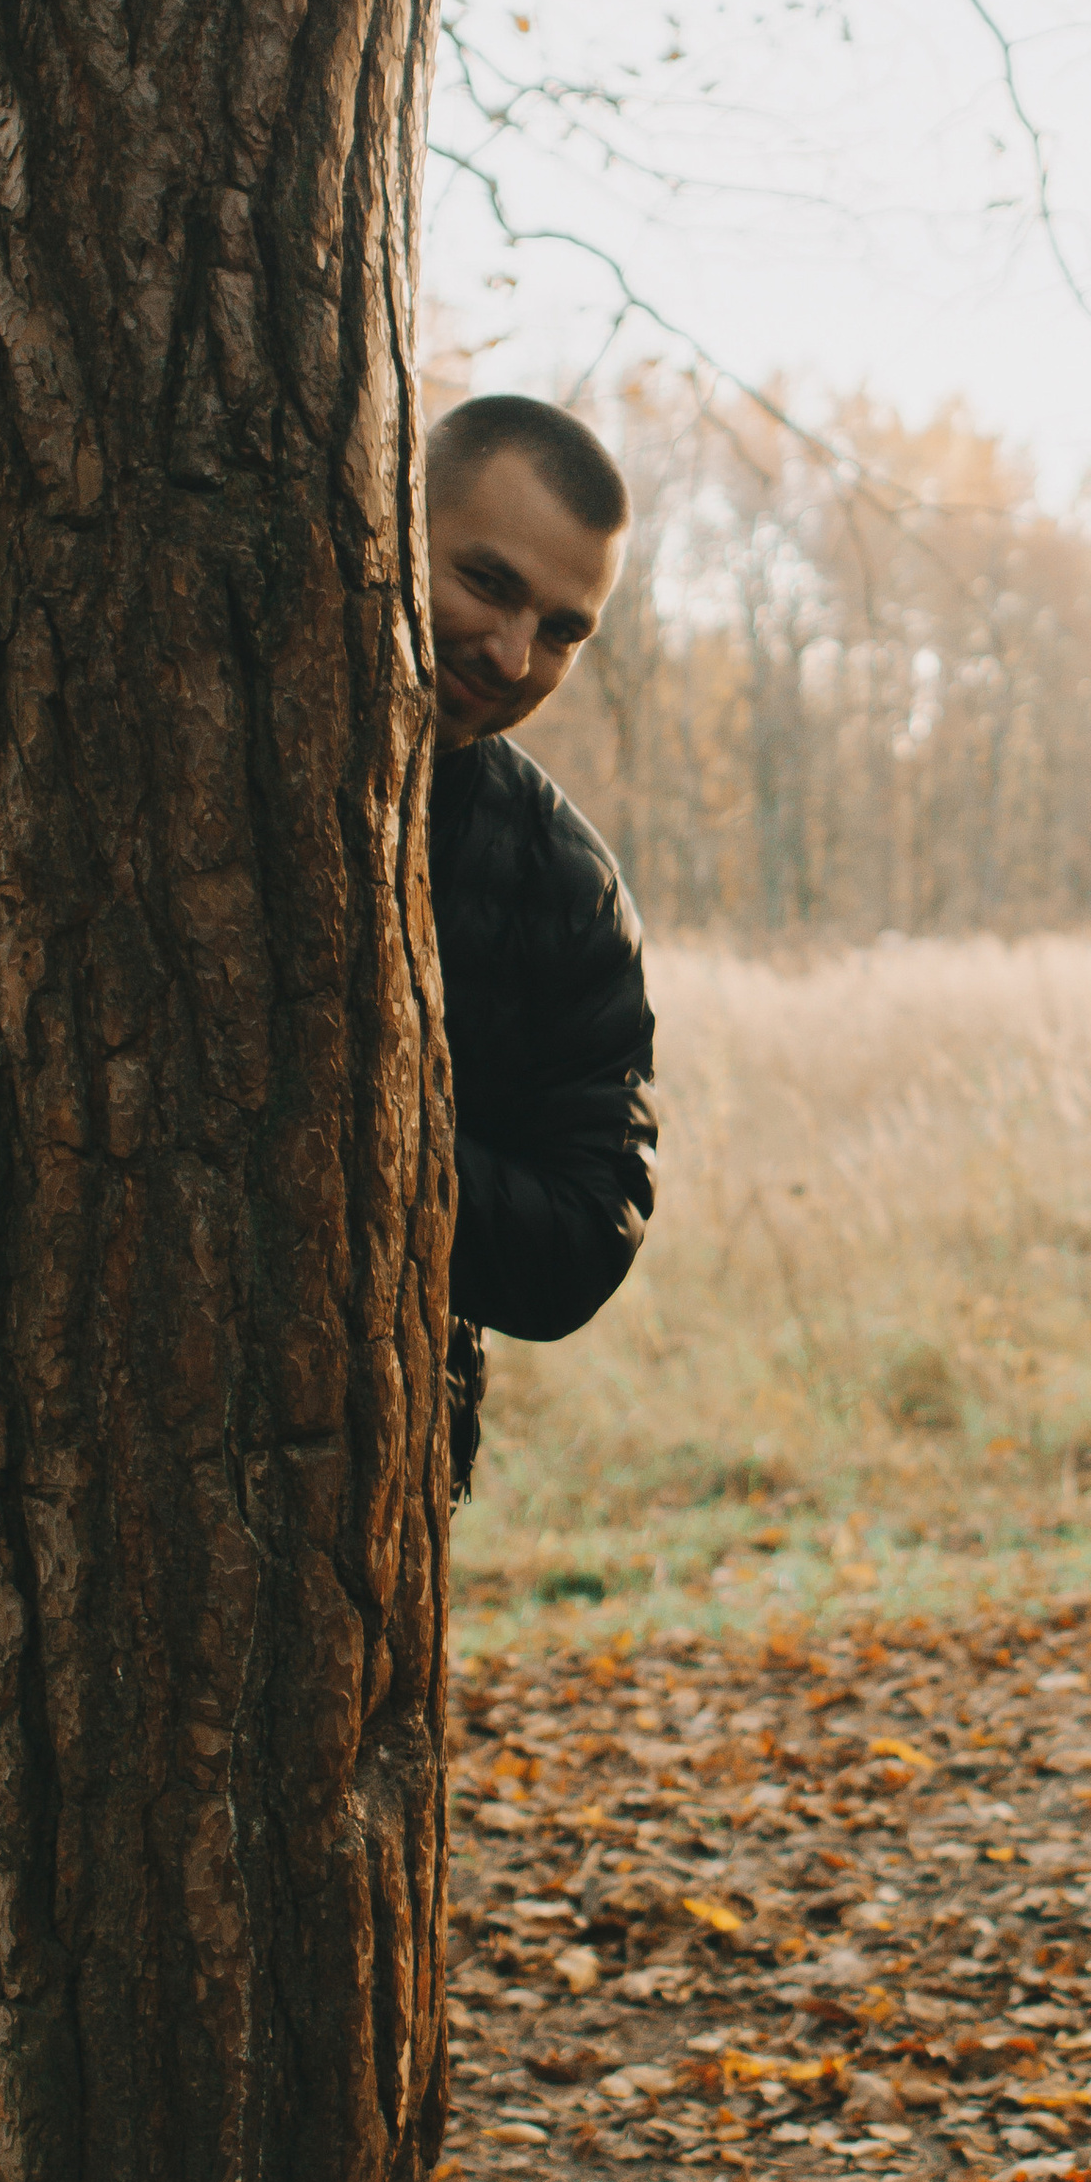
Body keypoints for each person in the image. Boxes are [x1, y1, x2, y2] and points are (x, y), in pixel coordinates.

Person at [424, 394, 657, 1493]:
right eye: (487, 582)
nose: (515, 656)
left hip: (367, 1470)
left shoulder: (568, 887)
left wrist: (365, 1135)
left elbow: (580, 1242)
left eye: (564, 629)